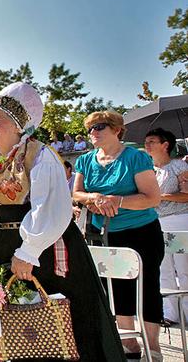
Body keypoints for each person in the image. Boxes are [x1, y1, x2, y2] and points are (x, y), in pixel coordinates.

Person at [0, 83, 125, 361]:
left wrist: (28, 252)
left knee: (49, 320)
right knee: (12, 324)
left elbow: (50, 208)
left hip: (42, 250)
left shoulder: (40, 154)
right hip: (1, 248)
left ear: (18, 126)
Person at [73, 110, 162, 359]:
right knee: (116, 290)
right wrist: (94, 198)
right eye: (90, 128)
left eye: (100, 126)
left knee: (147, 289)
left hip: (141, 232)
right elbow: (77, 193)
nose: (94, 132)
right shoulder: (85, 160)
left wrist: (118, 200)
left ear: (116, 129)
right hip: (104, 234)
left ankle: (153, 349)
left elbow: (152, 198)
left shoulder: (135, 158)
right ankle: (130, 344)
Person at [144, 127, 188, 325]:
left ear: (165, 145)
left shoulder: (179, 167)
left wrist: (159, 196)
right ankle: (171, 313)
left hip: (178, 219)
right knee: (163, 269)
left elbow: (186, 195)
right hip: (155, 222)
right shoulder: (148, 169)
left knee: (184, 269)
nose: (147, 145)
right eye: (146, 141)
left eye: (152, 141)